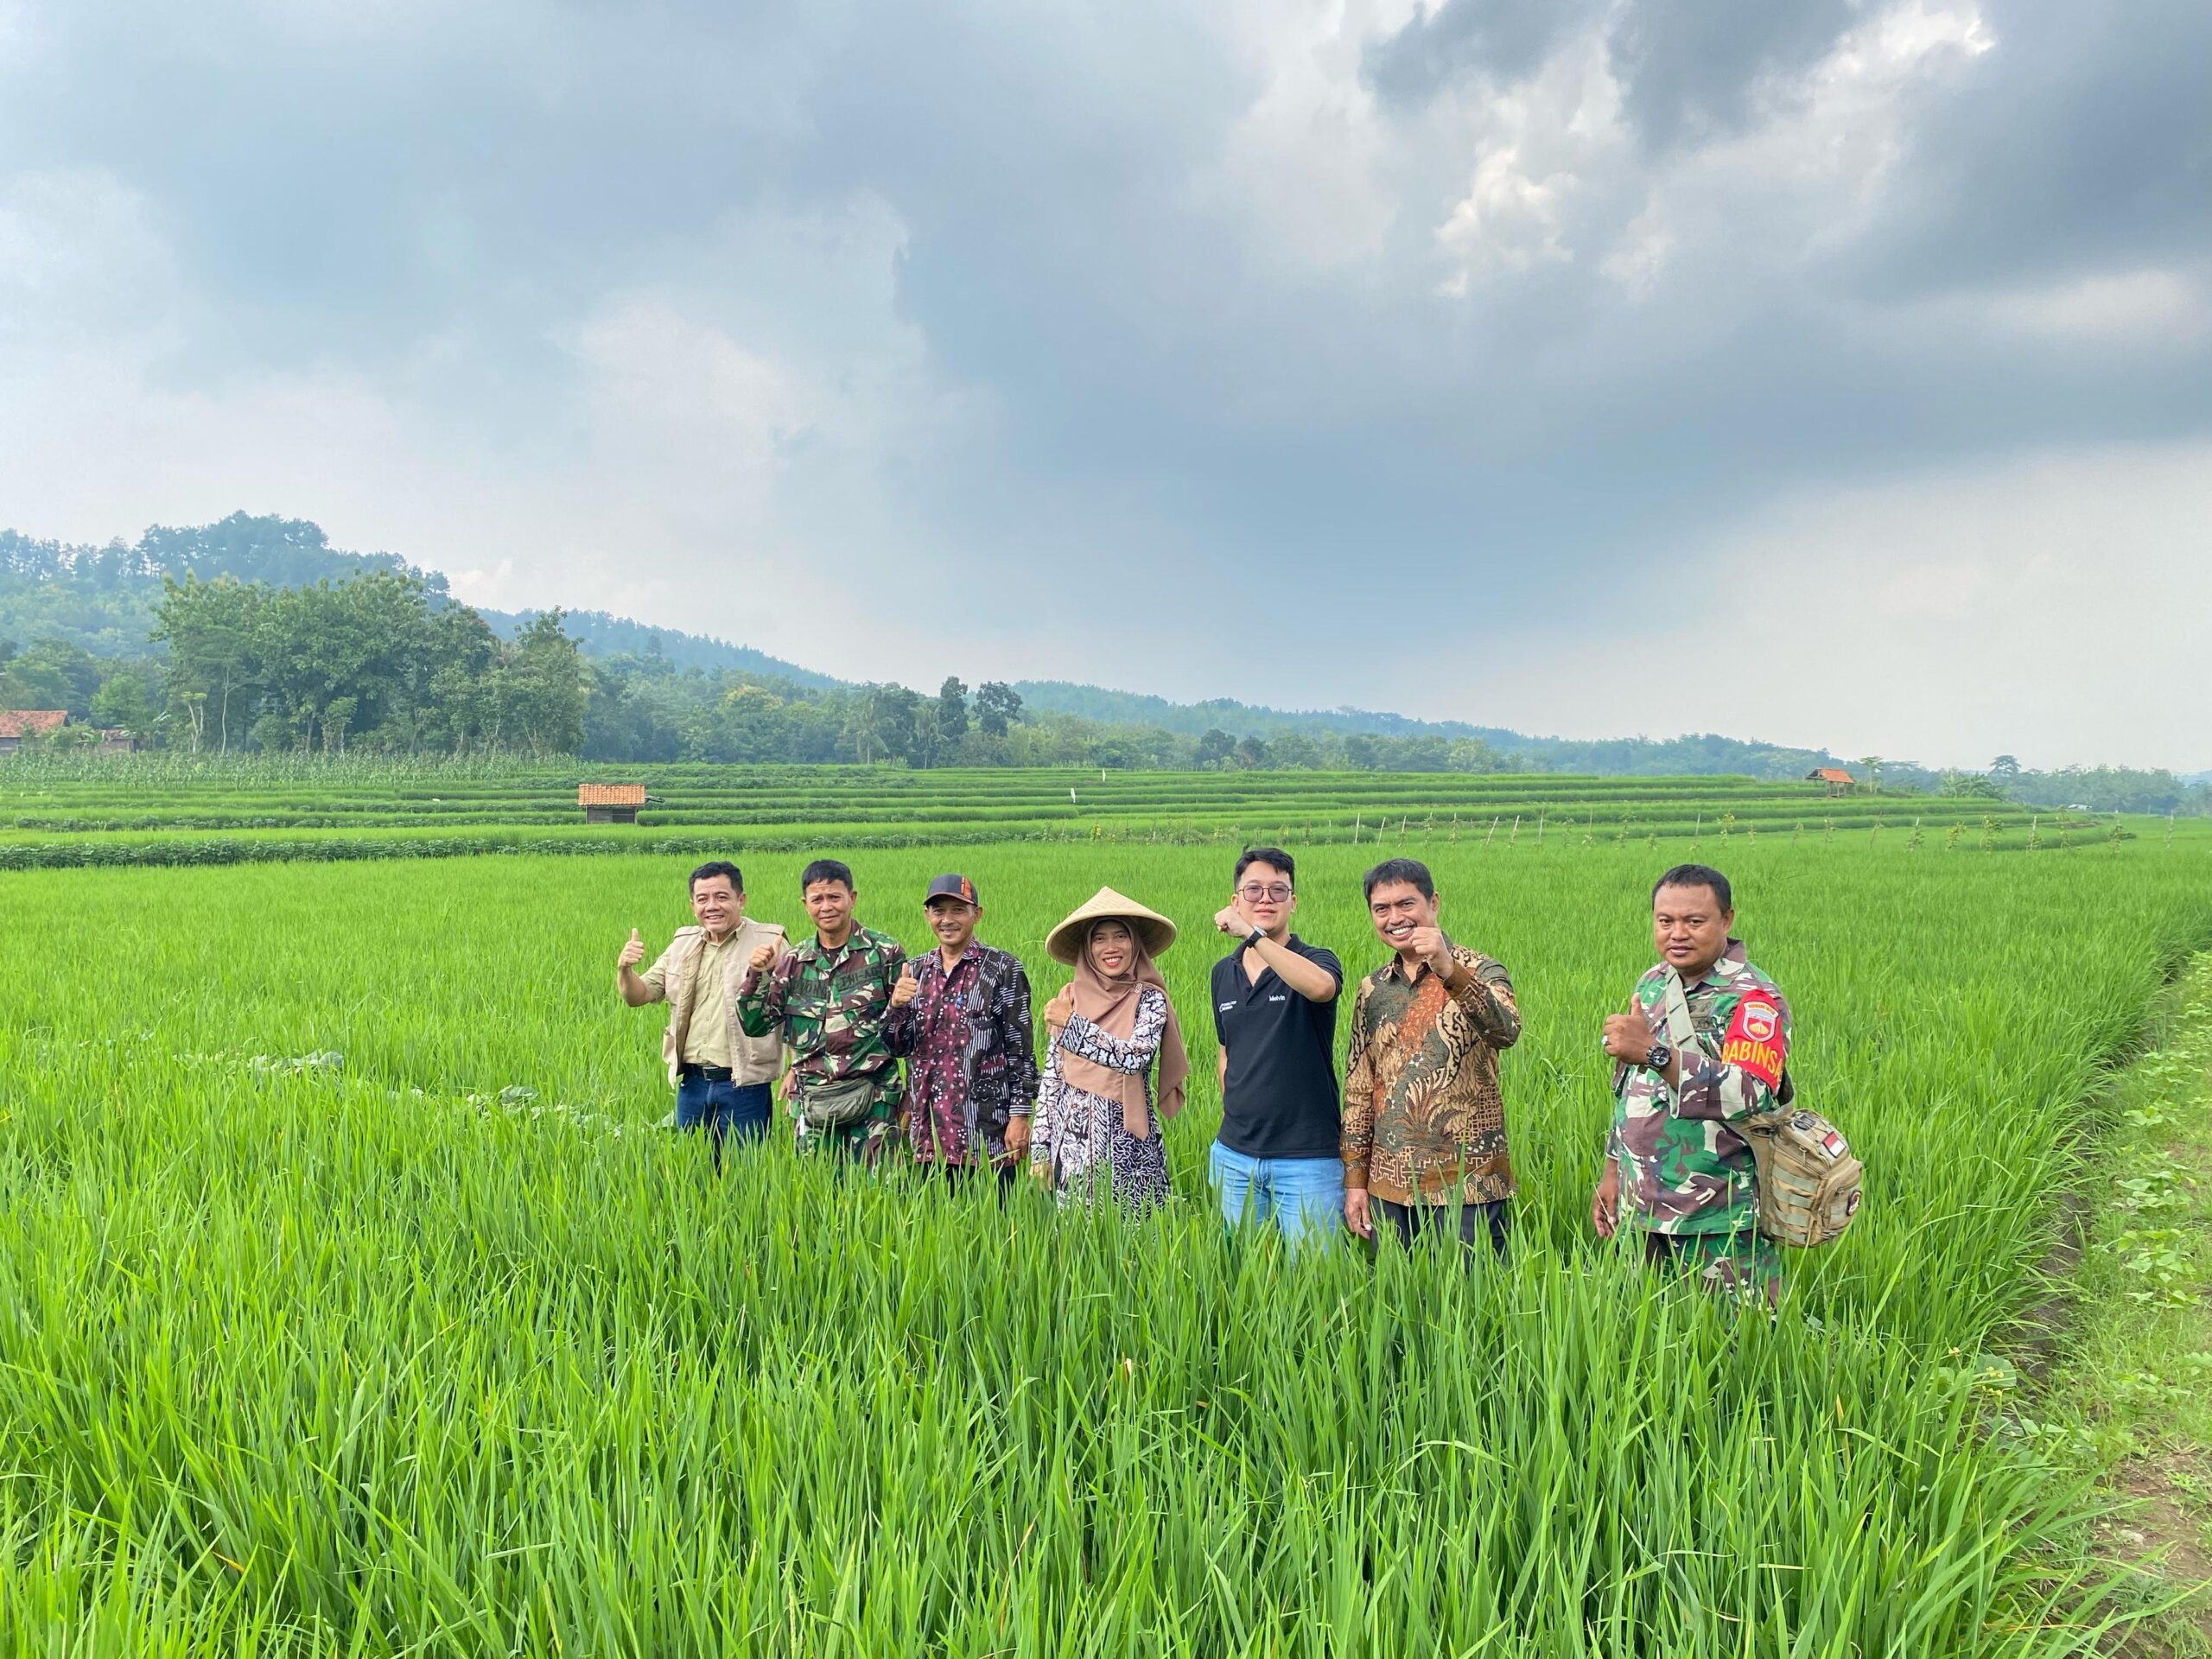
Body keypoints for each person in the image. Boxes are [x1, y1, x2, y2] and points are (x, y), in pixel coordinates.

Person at [1592, 863, 1791, 1303]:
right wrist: (1612, 1173)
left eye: (1694, 921)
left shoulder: (1752, 999)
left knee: (1737, 1345)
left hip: (1718, 1214)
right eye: (1665, 921)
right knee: (1645, 1339)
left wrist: (1654, 1053)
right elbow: (1629, 1091)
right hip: (1641, 1206)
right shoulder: (1652, 984)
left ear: (1726, 920)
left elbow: (1750, 1093)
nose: (1677, 933)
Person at [1341, 856, 1521, 1262]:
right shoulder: (1372, 988)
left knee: (1471, 1303)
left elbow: (1506, 1032)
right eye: (1381, 909)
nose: (1395, 918)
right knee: (1394, 1302)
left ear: (1433, 903)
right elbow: (1359, 1086)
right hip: (1389, 1184)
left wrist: (1448, 970)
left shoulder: (1481, 968)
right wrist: (1355, 1178)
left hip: (1468, 1183)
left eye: (1406, 904)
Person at [1207, 847, 1345, 1243]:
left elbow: (1321, 988)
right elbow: (1226, 1050)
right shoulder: (1223, 973)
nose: (1265, 899)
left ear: (1293, 902)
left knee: (1315, 1283)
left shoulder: (1316, 959)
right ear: (1236, 901)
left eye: (1278, 891)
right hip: (1234, 1157)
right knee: (1242, 1277)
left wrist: (1253, 936)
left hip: (1307, 1159)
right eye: (1253, 890)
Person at [735, 858, 907, 1166]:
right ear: (805, 904)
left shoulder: (884, 952)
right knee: (818, 1192)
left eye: (834, 897)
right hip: (813, 1099)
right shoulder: (793, 961)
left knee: (880, 1192)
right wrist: (756, 975)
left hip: (875, 1099)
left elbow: (907, 1034)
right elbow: (756, 1025)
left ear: (851, 899)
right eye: (817, 899)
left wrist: (898, 1008)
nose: (826, 906)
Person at [1029, 887, 1189, 1215]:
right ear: (1087, 948)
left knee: (1135, 1244)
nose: (1111, 947)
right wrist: (1040, 1152)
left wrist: (1072, 1025)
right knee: (1077, 1245)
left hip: (1130, 1145)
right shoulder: (1069, 998)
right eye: (1099, 939)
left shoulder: (1149, 999)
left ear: (1135, 943)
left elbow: (1134, 1058)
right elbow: (1052, 1081)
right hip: (1072, 1144)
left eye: (1121, 936)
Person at [615, 861, 787, 1163]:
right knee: (695, 1179)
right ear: (692, 904)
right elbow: (638, 995)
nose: (712, 906)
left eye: (722, 897)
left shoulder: (769, 943)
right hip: (692, 1085)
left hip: (745, 1086)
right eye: (703, 899)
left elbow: (797, 1012)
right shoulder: (682, 946)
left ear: (740, 900)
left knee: (746, 1176)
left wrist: (797, 1071)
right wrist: (624, 969)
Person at [885, 872, 1039, 1185]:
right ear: (927, 915)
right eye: (939, 911)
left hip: (987, 1133)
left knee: (993, 1224)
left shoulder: (1003, 968)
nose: (947, 920)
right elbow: (897, 1047)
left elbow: (1019, 1048)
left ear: (976, 914)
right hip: (928, 1134)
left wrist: (1020, 1115)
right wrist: (896, 1007)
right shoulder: (915, 970)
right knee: (936, 1226)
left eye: (958, 910)